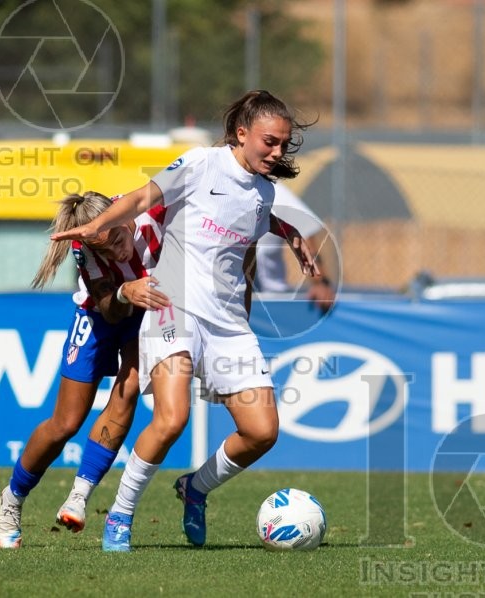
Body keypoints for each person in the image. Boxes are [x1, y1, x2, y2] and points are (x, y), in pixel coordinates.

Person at [51, 89, 319, 552]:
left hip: (228, 324)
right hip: (173, 307)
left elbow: (250, 222)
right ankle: (120, 516)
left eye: (282, 144)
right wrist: (97, 226)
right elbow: (141, 198)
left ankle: (195, 488)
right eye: (269, 142)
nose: (277, 152)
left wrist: (290, 232)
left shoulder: (265, 192)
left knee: (262, 432)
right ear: (241, 133)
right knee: (172, 419)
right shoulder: (199, 163)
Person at [0, 191, 171, 549]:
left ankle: (79, 495)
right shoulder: (84, 246)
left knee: (129, 387)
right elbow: (109, 309)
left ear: (121, 215)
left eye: (117, 240)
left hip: (149, 312)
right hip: (101, 312)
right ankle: (11, 499)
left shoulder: (154, 212)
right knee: (65, 423)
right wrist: (124, 292)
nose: (116, 253)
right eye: (105, 250)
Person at [255, 181, 336, 313]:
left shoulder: (272, 190)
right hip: (226, 299)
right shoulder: (220, 190)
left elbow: (304, 229)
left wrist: (320, 282)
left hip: (270, 301)